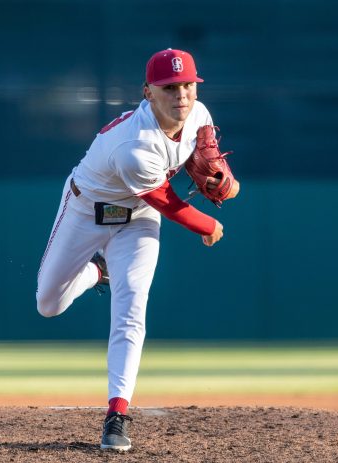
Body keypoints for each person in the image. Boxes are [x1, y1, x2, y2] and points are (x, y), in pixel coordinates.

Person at [36, 48, 239, 451]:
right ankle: (97, 271)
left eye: (187, 86)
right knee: (48, 304)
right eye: (169, 88)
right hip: (85, 210)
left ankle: (117, 414)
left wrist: (221, 179)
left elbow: (208, 155)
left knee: (131, 307)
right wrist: (208, 223)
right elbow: (166, 199)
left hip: (137, 220)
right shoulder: (134, 145)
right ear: (148, 92)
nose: (181, 95)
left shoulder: (200, 115)